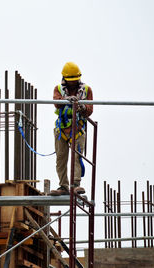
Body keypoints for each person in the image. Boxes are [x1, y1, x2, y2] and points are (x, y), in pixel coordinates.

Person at [50, 62, 93, 196]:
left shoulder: (86, 90)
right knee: (61, 159)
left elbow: (90, 110)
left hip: (78, 129)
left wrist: (81, 107)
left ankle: (75, 185)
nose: (73, 84)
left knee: (77, 157)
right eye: (71, 81)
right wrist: (67, 99)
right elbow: (57, 104)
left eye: (75, 81)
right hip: (61, 130)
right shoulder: (58, 89)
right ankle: (63, 186)